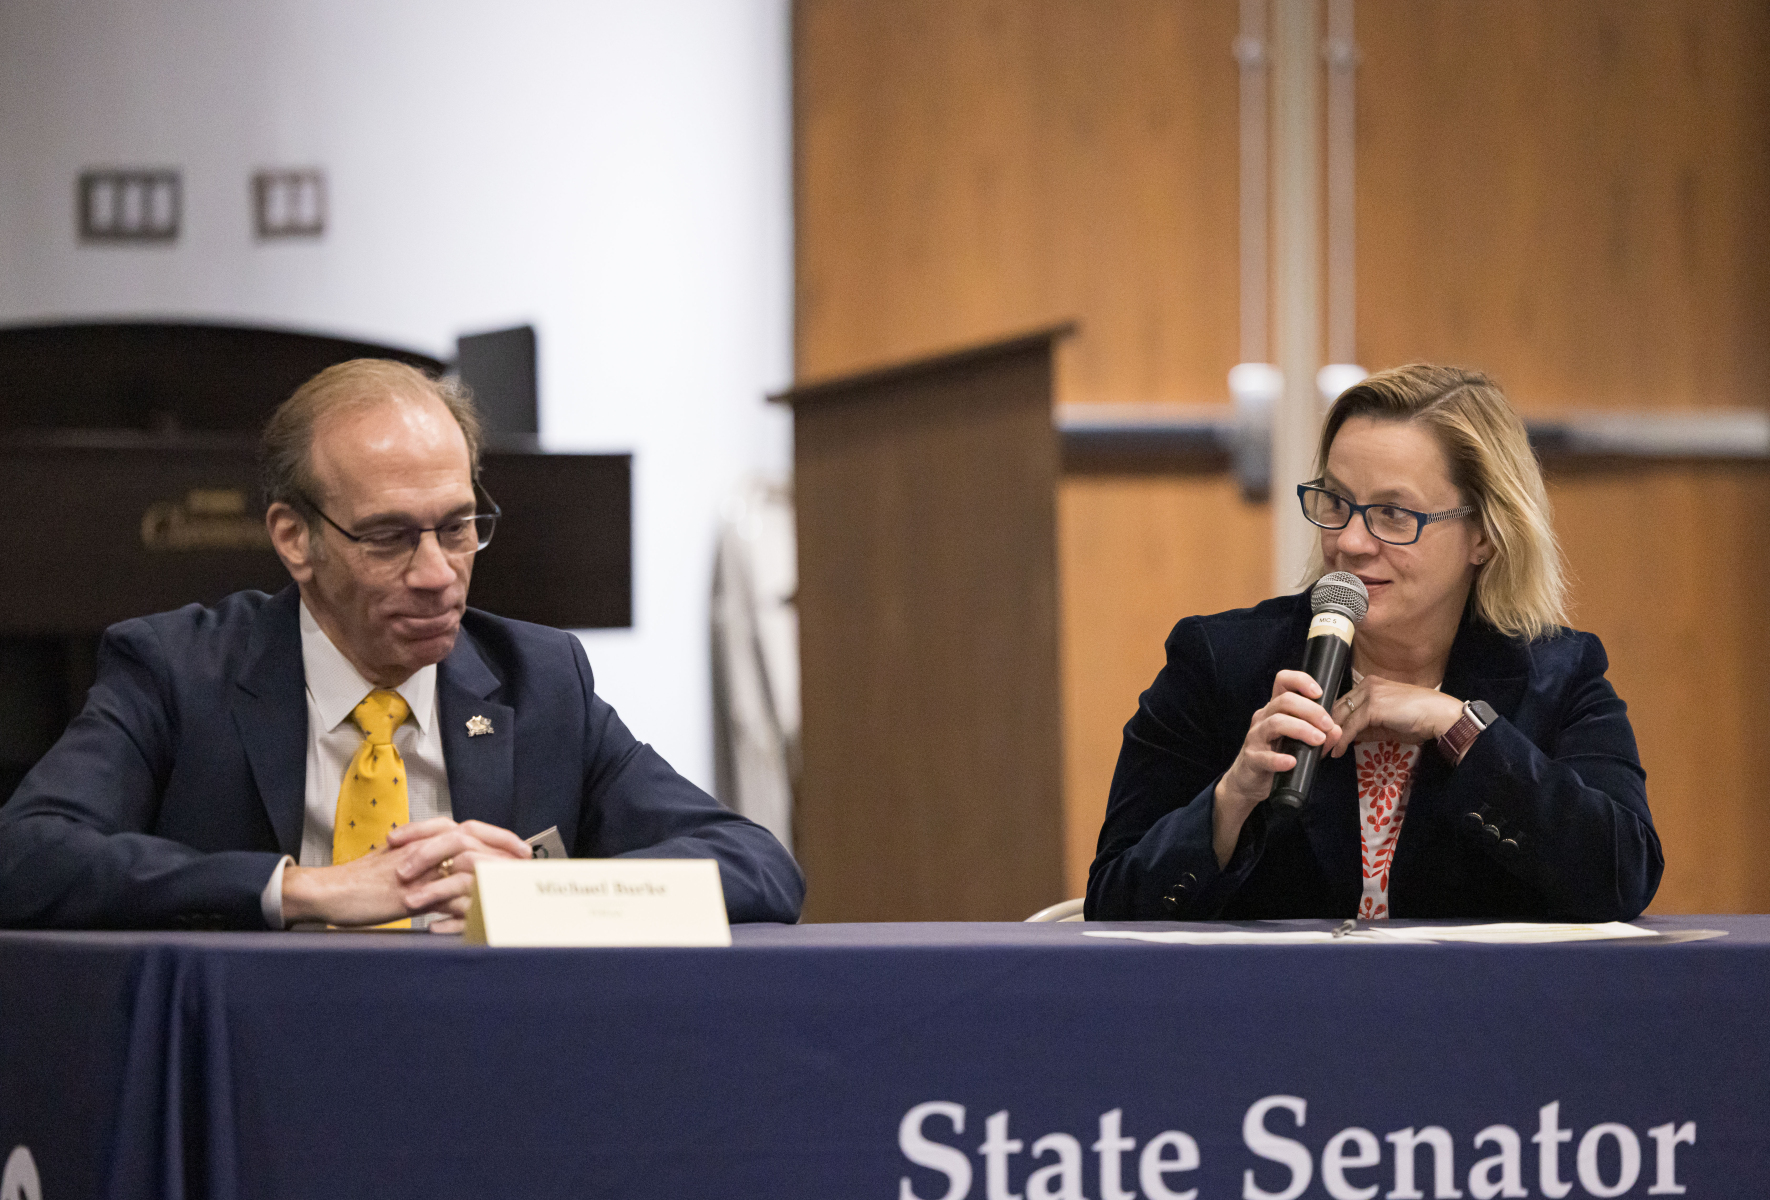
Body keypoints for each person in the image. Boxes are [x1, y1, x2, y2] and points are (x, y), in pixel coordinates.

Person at [0, 359, 804, 931]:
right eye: (388, 537)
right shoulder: (180, 671)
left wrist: (538, 895)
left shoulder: (539, 681)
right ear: (295, 539)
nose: (437, 574)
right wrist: (302, 891)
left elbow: (757, 864)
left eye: (457, 528)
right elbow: (25, 857)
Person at [1087, 364, 1662, 922]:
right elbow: (1112, 906)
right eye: (1336, 503)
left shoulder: (1557, 676)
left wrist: (1459, 727)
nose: (1351, 542)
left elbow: (1622, 876)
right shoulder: (1220, 664)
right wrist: (1230, 800)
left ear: (1485, 534)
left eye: (1392, 513)